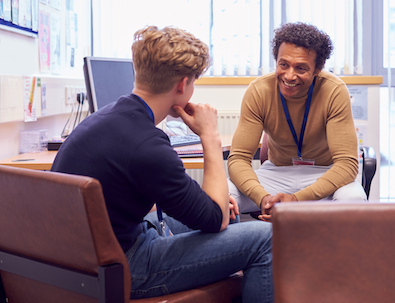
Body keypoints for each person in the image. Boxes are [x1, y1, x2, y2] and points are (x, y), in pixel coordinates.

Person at [52, 26, 273, 302]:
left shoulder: (105, 117)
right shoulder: (148, 145)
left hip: (84, 257)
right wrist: (210, 136)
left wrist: (216, 206)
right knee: (266, 237)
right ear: (182, 85)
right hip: (123, 267)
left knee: (231, 214)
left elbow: (193, 203)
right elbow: (214, 219)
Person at [228, 22, 367, 221]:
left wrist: (297, 199)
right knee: (223, 195)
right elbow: (238, 159)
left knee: (354, 201)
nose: (289, 75)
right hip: (277, 173)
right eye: (283, 64)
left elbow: (347, 164)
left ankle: (333, 253)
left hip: (324, 173)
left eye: (301, 68)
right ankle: (244, 249)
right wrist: (263, 198)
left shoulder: (334, 91)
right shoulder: (259, 91)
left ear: (318, 69)